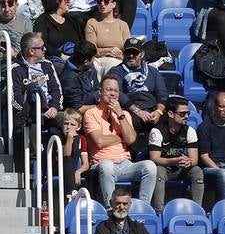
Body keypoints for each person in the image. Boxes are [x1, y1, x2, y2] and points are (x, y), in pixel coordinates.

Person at [83, 75, 158, 204]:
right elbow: (99, 141)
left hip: (125, 163)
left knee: (150, 166)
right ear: (100, 92)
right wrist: (122, 137)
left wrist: (120, 114)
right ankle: (110, 208)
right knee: (107, 166)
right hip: (102, 163)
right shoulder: (91, 113)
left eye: (116, 91)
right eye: (109, 90)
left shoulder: (125, 114)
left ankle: (143, 207)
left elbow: (131, 140)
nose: (112, 94)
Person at [148, 95, 204, 209]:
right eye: (182, 114)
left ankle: (197, 209)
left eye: (188, 113)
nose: (186, 116)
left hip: (181, 167)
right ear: (170, 114)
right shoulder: (157, 131)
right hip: (164, 167)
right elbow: (154, 158)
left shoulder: (190, 131)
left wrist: (188, 162)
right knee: (158, 171)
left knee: (197, 171)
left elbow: (194, 159)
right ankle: (159, 210)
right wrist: (175, 161)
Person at [9, 31, 63, 147]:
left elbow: (56, 89)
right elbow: (15, 98)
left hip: (50, 111)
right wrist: (30, 110)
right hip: (30, 114)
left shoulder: (47, 65)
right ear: (31, 51)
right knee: (34, 119)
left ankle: (64, 158)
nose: (45, 50)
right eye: (42, 47)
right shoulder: (15, 69)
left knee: (70, 120)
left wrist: (54, 107)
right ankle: (35, 159)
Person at [107, 37, 167, 133]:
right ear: (123, 53)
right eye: (127, 52)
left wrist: (158, 112)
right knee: (130, 121)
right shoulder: (116, 71)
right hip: (130, 109)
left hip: (152, 108)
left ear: (142, 54)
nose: (131, 56)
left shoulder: (152, 71)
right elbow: (118, 93)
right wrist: (138, 111)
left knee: (170, 118)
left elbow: (162, 94)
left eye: (135, 53)